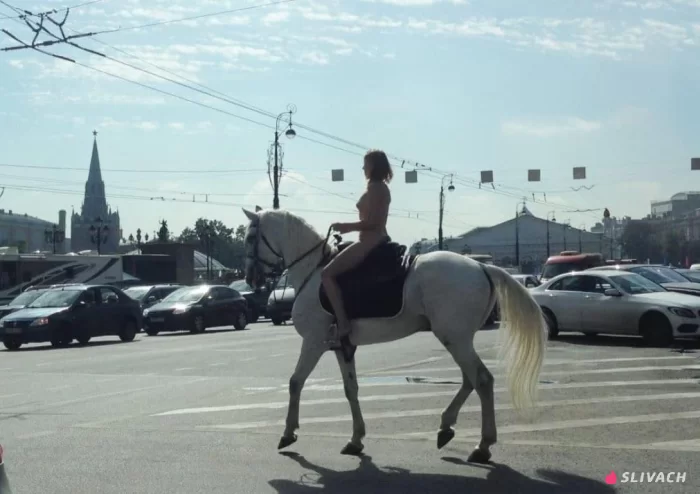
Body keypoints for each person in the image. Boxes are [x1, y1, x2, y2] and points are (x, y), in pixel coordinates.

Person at [321, 149, 392, 345]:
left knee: (327, 274)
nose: (363, 167)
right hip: (373, 239)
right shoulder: (378, 187)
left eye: (366, 163)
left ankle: (343, 323)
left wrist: (346, 226)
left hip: (370, 241)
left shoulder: (376, 188)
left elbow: (374, 223)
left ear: (374, 166)